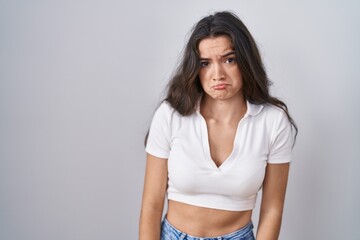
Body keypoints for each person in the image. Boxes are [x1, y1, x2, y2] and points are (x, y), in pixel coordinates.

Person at [139, 11, 298, 240]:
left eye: (229, 60)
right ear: (195, 68)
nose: (217, 75)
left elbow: (272, 210)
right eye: (205, 63)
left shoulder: (273, 122)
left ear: (245, 61)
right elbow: (151, 205)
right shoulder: (170, 115)